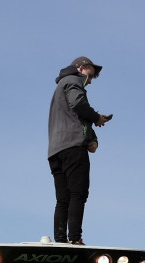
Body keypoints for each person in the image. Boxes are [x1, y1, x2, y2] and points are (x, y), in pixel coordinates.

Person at [48, 56, 111, 245]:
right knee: (78, 193)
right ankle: (75, 239)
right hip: (73, 148)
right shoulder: (74, 81)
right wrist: (96, 118)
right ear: (81, 67)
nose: (90, 81)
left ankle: (60, 241)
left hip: (55, 150)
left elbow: (74, 115)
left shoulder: (61, 86)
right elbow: (78, 105)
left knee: (63, 198)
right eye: (90, 75)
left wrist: (92, 137)